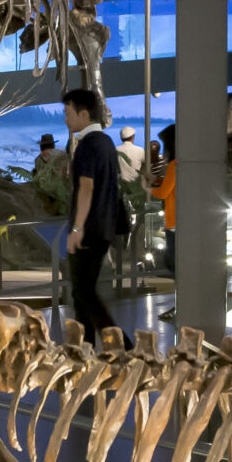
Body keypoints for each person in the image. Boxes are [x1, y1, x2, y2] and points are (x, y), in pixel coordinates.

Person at [62, 87, 130, 343]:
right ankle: (85, 347)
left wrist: (77, 229)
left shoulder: (88, 145)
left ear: (84, 113)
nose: (66, 119)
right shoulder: (106, 142)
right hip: (102, 228)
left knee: (84, 292)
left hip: (89, 230)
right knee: (82, 294)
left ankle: (122, 344)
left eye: (68, 113)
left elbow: (86, 188)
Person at [148, 123, 179, 276]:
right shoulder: (183, 164)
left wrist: (147, 187)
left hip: (174, 221)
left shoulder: (174, 165)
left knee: (173, 264)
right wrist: (156, 180)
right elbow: (171, 184)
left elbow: (163, 193)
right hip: (182, 220)